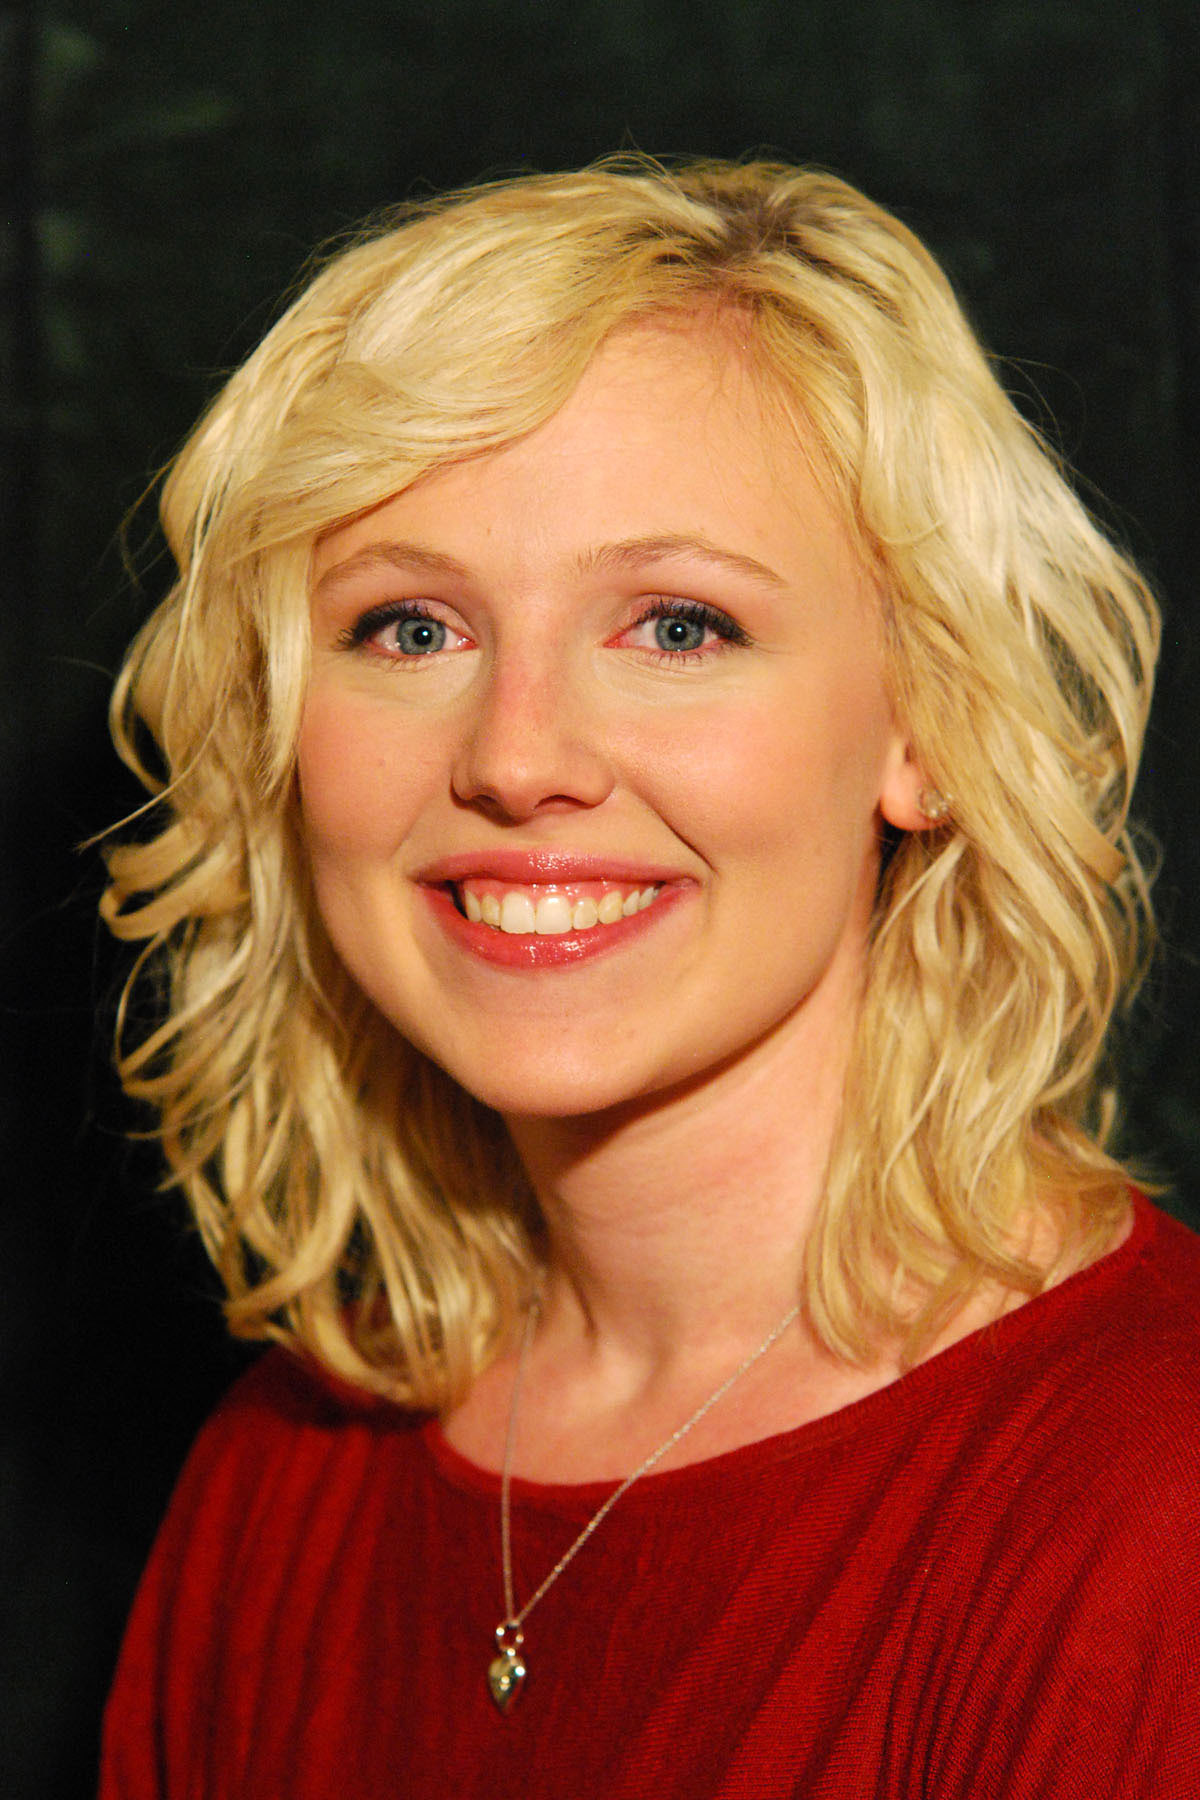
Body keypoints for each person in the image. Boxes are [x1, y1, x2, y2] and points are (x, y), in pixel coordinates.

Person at [97, 159, 1198, 1798]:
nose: (517, 756)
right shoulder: (282, 1471)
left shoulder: (1150, 1502)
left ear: (924, 728)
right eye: (411, 629)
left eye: (678, 626)